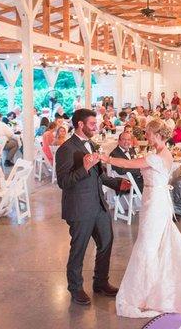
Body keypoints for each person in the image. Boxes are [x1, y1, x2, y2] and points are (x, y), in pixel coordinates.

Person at [103, 120, 181, 317]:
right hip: (153, 200)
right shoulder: (160, 153)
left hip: (155, 203)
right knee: (157, 244)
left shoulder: (156, 157)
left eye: (147, 133)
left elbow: (128, 164)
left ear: (156, 134)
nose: (145, 136)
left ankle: (145, 293)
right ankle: (157, 288)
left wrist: (105, 159)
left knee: (148, 245)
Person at [55, 108, 130, 306]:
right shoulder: (66, 149)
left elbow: (100, 175)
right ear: (80, 125)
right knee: (79, 249)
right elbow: (63, 182)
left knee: (106, 242)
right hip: (79, 208)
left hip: (98, 204)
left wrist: (117, 183)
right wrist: (84, 168)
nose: (96, 126)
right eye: (92, 124)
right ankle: (75, 288)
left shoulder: (93, 144)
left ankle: (100, 283)